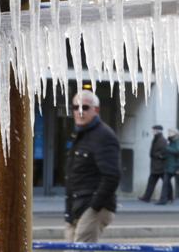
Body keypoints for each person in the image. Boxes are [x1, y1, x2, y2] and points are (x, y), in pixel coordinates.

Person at [64, 90, 121, 243]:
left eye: (85, 107)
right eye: (76, 108)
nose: (80, 112)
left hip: (93, 206)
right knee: (70, 247)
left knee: (82, 247)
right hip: (76, 205)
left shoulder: (103, 135)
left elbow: (112, 176)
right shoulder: (79, 135)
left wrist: (95, 206)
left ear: (96, 110)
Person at [138, 125, 169, 202]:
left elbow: (164, 152)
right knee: (152, 181)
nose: (152, 131)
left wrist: (158, 156)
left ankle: (147, 197)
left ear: (158, 131)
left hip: (160, 165)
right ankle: (146, 197)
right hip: (156, 165)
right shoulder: (156, 139)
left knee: (163, 182)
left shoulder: (162, 140)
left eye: (154, 130)